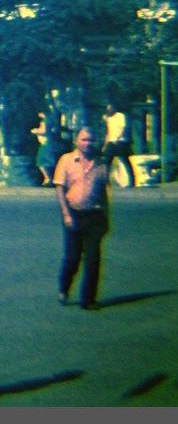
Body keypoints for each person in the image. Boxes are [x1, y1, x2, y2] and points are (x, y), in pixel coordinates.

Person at [54, 127, 110, 311]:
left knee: (93, 259)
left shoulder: (100, 164)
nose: (88, 144)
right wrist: (66, 214)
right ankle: (64, 288)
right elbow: (60, 189)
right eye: (85, 140)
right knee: (72, 258)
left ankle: (88, 299)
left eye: (91, 140)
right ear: (77, 141)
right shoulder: (67, 160)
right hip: (74, 214)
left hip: (94, 216)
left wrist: (106, 217)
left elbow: (104, 193)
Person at [102, 103, 135, 188]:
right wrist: (105, 144)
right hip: (111, 141)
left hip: (121, 141)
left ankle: (132, 181)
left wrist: (117, 139)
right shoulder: (109, 118)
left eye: (110, 108)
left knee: (125, 161)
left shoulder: (121, 116)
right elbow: (109, 132)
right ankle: (105, 181)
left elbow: (123, 128)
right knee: (107, 162)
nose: (109, 110)